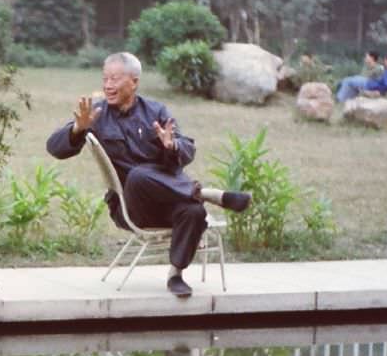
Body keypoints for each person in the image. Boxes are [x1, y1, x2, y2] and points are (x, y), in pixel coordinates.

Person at [46, 51, 251, 298]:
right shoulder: (97, 115)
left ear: (134, 82)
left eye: (115, 79)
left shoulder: (156, 111)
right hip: (131, 207)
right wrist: (78, 128)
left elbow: (188, 148)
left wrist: (172, 146)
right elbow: (54, 148)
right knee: (137, 176)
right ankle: (203, 192)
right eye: (105, 78)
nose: (108, 85)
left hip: (167, 203)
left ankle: (176, 274)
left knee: (194, 211)